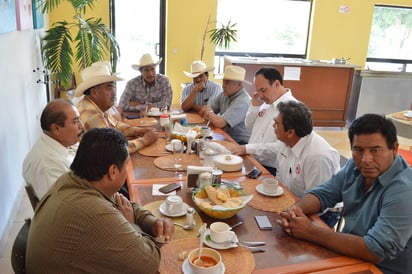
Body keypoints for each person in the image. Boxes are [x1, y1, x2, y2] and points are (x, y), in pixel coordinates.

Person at [26, 128, 174, 273]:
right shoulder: (94, 212)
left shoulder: (76, 178)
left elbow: (124, 204)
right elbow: (149, 264)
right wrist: (132, 224)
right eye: (126, 165)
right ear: (113, 171)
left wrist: (151, 222)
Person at [278, 113, 412, 273]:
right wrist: (294, 211)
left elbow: (376, 249)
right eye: (358, 150)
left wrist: (310, 231)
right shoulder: (354, 166)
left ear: (394, 149)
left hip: (379, 269)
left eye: (375, 150)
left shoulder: (405, 190)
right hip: (348, 256)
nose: (366, 159)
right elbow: (324, 194)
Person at [75, 61, 157, 154]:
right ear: (94, 92)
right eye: (109, 87)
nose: (114, 92)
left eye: (113, 87)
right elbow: (112, 149)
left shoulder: (95, 106)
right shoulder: (89, 113)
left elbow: (115, 125)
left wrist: (137, 131)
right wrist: (145, 140)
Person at [231, 67, 297, 175]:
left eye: (263, 90)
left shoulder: (292, 108)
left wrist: (248, 149)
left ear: (276, 84)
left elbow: (281, 147)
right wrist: (255, 106)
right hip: (253, 160)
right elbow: (248, 125)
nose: (260, 95)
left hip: (272, 169)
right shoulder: (265, 102)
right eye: (258, 91)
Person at [22, 99, 84, 198]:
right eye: (75, 121)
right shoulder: (48, 167)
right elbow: (66, 206)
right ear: (56, 129)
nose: (82, 126)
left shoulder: (57, 142)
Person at [199, 65, 251, 144]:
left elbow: (219, 123)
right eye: (223, 81)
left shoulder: (243, 101)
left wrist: (209, 113)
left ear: (239, 85)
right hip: (225, 135)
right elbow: (207, 109)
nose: (223, 85)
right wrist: (211, 114)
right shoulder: (225, 94)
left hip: (239, 143)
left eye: (227, 82)